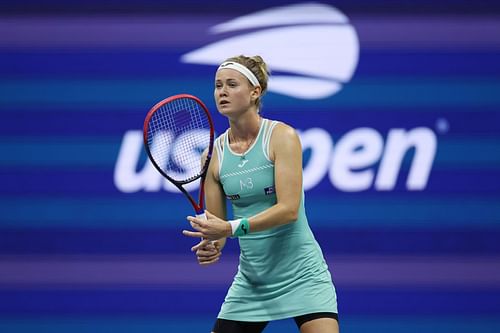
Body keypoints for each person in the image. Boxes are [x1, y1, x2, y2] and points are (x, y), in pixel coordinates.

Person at [182, 55, 339, 333]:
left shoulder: (282, 137)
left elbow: (289, 210)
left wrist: (229, 228)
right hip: (252, 281)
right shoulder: (212, 156)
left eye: (232, 84)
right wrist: (212, 246)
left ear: (255, 92)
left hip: (303, 275)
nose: (222, 92)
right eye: (218, 85)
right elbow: (219, 228)